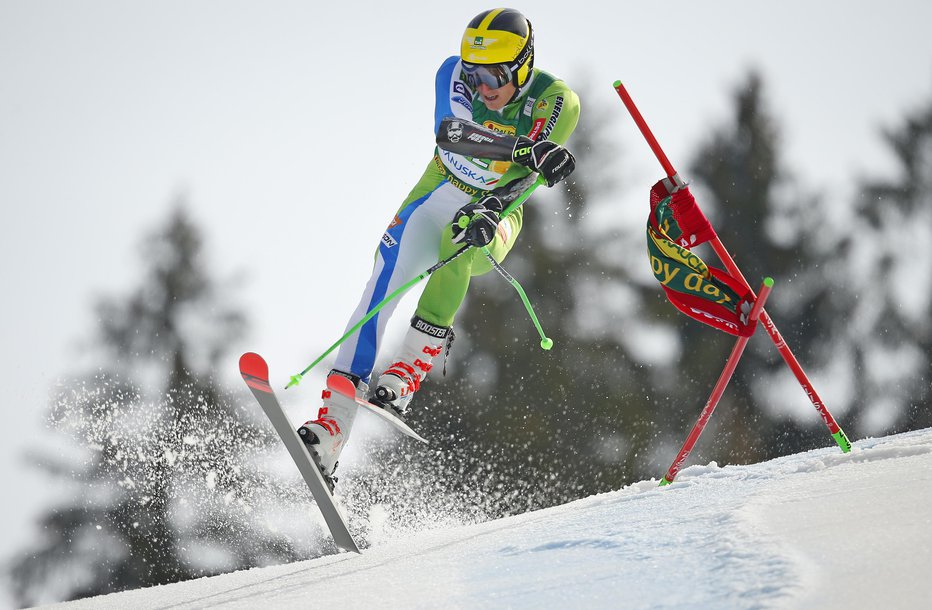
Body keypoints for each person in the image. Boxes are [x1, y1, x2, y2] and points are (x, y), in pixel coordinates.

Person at [298, 8, 581, 486]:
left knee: (461, 240)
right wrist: (521, 147)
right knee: (379, 288)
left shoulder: (556, 101)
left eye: (494, 74)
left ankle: (410, 367)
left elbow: (527, 180)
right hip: (435, 194)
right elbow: (453, 134)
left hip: (497, 210)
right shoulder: (452, 73)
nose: (482, 86)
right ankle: (331, 428)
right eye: (475, 73)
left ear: (523, 66)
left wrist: (494, 205)